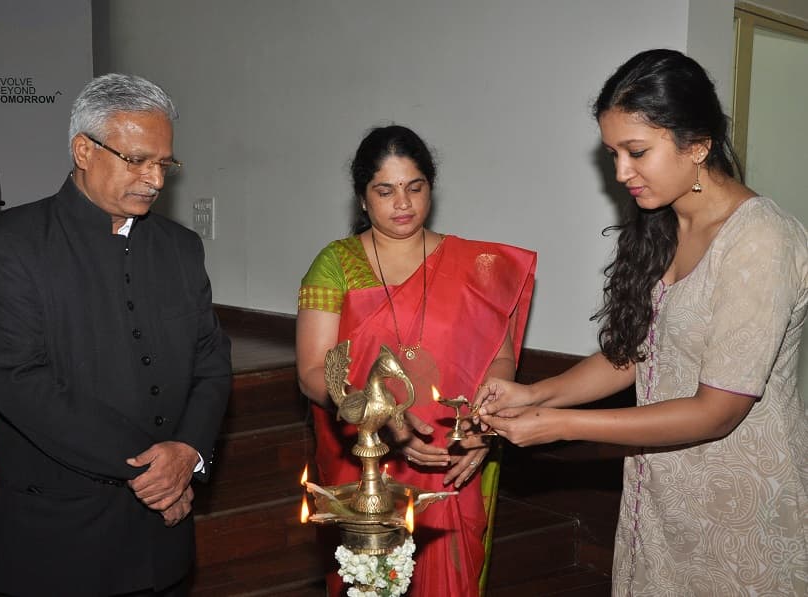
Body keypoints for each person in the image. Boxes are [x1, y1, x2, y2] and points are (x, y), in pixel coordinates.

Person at [475, 49, 808, 595]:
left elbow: (716, 412)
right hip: (665, 491)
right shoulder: (666, 222)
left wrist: (563, 426)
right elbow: (636, 353)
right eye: (612, 154)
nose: (620, 173)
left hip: (739, 505)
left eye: (636, 152)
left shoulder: (759, 241)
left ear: (698, 145)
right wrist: (535, 395)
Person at [0, 73, 232, 597]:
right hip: (60, 542)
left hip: (163, 542)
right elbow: (21, 381)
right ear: (83, 150)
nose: (154, 179)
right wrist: (160, 470)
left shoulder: (179, 247)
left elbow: (211, 361)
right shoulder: (6, 244)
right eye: (137, 160)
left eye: (164, 164)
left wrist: (189, 453)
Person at [296, 125, 536, 596]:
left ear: (431, 188)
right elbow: (310, 373)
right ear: (363, 200)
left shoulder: (477, 266)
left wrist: (481, 428)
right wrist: (384, 420)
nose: (402, 203)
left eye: (415, 188)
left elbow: (499, 360)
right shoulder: (337, 263)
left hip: (453, 452)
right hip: (367, 458)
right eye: (385, 191)